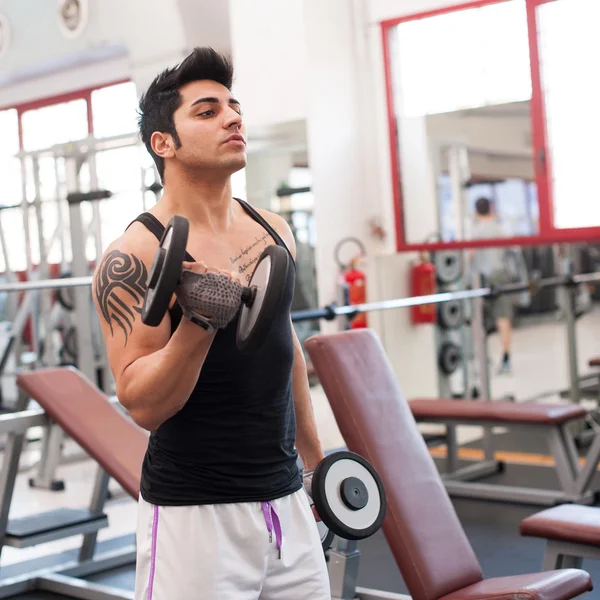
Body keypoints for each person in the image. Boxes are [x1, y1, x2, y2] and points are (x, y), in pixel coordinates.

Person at [92, 47, 330, 600]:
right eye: (206, 111)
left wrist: (316, 465)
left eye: (233, 106)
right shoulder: (134, 255)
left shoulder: (273, 231)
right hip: (194, 515)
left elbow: (285, 351)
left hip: (286, 502)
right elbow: (143, 404)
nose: (232, 117)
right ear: (163, 144)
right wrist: (199, 324)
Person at [470, 196, 513, 375]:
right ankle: (506, 358)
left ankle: (482, 359)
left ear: (476, 211)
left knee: (477, 319)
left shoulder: (475, 232)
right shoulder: (499, 230)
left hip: (481, 278)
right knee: (503, 318)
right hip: (500, 276)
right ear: (491, 209)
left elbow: (470, 256)